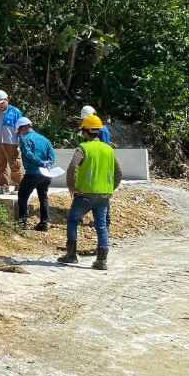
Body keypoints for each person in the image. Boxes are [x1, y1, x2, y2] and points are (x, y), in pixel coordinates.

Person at [57, 114, 123, 270]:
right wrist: (110, 188)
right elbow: (119, 173)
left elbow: (73, 167)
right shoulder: (109, 149)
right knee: (101, 226)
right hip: (103, 196)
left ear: (85, 132)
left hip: (84, 194)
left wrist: (71, 186)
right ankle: (101, 260)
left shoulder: (83, 148)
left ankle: (71, 255)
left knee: (73, 220)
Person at [15, 117, 56, 232]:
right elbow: (52, 157)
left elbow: (28, 155)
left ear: (24, 127)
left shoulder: (24, 139)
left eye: (19, 130)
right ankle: (44, 222)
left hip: (32, 173)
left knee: (22, 195)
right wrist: (47, 164)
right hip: (46, 174)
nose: (19, 133)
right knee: (43, 197)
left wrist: (40, 163)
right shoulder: (45, 139)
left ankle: (22, 223)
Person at [0, 90, 23, 194]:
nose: (0, 105)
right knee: (1, 166)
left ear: (7, 100)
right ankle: (4, 186)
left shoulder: (16, 112)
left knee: (15, 165)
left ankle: (19, 186)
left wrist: (21, 142)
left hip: (11, 143)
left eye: (1, 103)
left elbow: (21, 128)